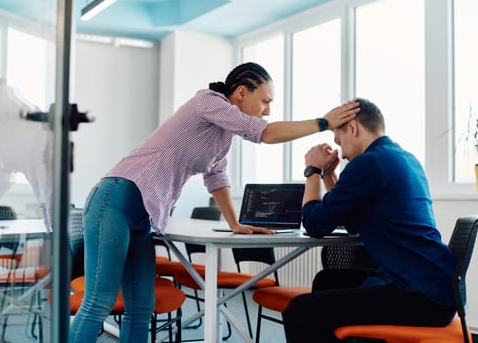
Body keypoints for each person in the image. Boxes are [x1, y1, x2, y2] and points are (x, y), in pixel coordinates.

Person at [69, 62, 360, 342]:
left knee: (141, 308)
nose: (268, 110)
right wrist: (324, 122)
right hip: (115, 198)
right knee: (99, 301)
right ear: (242, 92)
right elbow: (265, 133)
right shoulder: (206, 102)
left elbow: (217, 178)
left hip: (142, 215)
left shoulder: (222, 136)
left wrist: (236, 224)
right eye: (265, 100)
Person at [284, 98, 456, 343]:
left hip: (420, 296)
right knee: (328, 280)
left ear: (352, 128)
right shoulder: (403, 157)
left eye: (339, 141)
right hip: (435, 287)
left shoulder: (369, 163)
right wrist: (330, 176)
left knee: (300, 311)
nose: (341, 152)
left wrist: (312, 171)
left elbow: (314, 224)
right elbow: (350, 220)